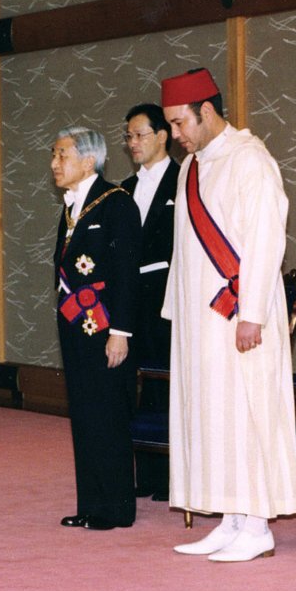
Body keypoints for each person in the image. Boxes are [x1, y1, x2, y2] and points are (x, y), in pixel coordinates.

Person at [161, 67, 296, 563]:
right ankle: (229, 518)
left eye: (180, 124)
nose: (174, 136)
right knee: (212, 414)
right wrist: (175, 310)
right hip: (202, 320)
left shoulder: (250, 160)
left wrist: (253, 314)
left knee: (246, 411)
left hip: (241, 311)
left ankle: (257, 524)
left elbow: (267, 239)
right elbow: (183, 248)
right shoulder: (192, 166)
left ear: (206, 111)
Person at [52, 127, 141, 531]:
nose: (54, 164)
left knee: (107, 414)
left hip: (107, 327)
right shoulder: (71, 207)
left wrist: (120, 330)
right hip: (75, 326)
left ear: (88, 161)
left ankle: (116, 508)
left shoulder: (117, 203)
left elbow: (126, 272)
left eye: (62, 155)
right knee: (85, 413)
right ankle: (91, 503)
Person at [120, 103, 179, 501]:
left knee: (165, 383)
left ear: (163, 135)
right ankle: (142, 473)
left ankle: (171, 477)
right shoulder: (123, 188)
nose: (133, 143)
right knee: (131, 382)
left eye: (140, 134)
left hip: (165, 296)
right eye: (128, 136)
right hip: (128, 299)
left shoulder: (184, 180)